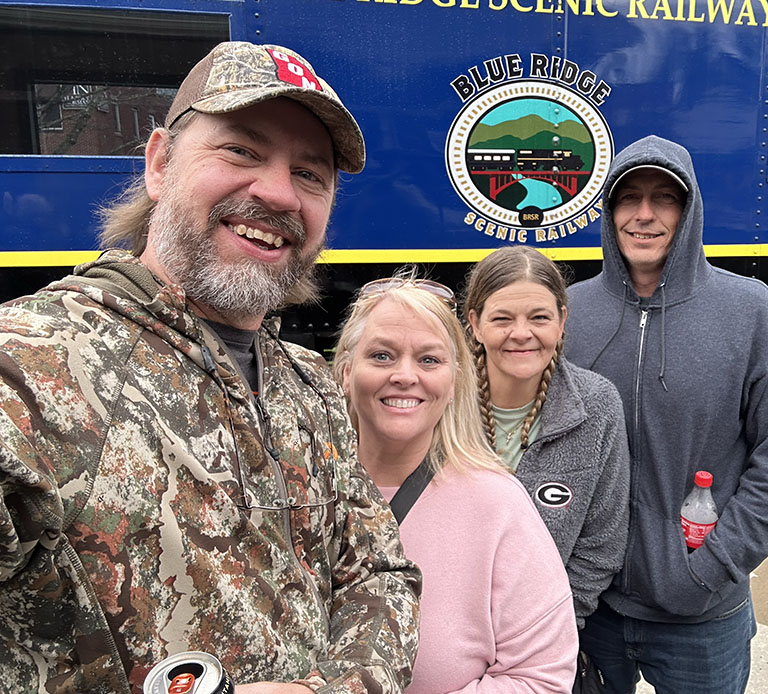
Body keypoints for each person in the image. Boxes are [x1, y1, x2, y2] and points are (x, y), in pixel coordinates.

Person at [0, 41, 420, 693]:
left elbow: (381, 576)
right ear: (160, 163)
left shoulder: (309, 385)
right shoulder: (30, 362)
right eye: (242, 151)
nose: (278, 191)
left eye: (310, 173)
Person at [563, 135, 768, 693]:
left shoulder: (750, 311)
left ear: (690, 210)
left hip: (701, 615)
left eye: (664, 198)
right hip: (589, 609)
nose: (644, 214)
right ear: (608, 213)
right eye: (628, 198)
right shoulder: (572, 312)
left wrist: (710, 570)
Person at [332, 274, 578, 694]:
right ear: (345, 370)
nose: (405, 375)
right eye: (382, 356)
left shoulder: (496, 503)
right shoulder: (299, 493)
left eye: (429, 360)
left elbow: (542, 677)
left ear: (453, 381)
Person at [462, 246, 630, 628]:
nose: (521, 334)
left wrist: (548, 630)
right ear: (475, 322)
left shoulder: (596, 406)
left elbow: (601, 545)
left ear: (561, 320)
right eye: (502, 318)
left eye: (539, 317)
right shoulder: (441, 401)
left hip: (548, 634)